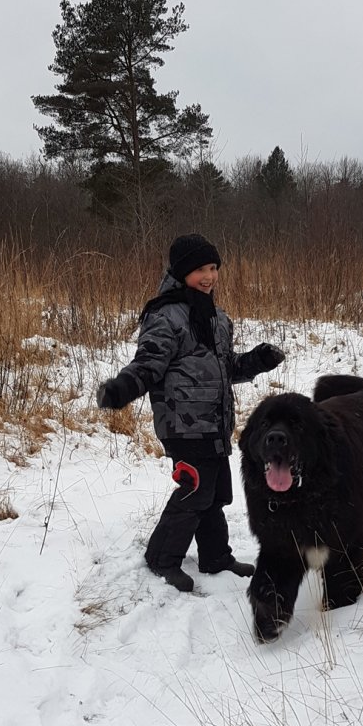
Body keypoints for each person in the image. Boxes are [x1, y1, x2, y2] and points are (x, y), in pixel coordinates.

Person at [96, 234, 285, 593]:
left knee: (215, 496)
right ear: (183, 272)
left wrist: (257, 361)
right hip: (183, 424)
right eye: (201, 269)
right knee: (193, 492)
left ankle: (215, 557)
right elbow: (148, 364)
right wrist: (122, 388)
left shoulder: (217, 318)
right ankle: (162, 558)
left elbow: (227, 368)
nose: (209, 276)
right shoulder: (166, 316)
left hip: (214, 423)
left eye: (214, 268)